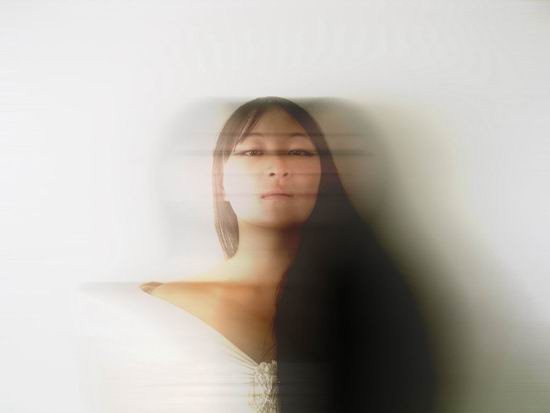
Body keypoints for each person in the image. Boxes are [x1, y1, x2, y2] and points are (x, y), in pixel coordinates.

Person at [76, 97, 437, 413]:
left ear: (325, 178)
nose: (277, 167)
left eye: (298, 152)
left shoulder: (368, 309)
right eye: (252, 151)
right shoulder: (153, 311)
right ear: (220, 182)